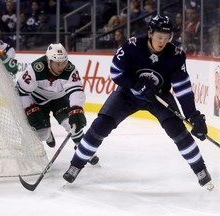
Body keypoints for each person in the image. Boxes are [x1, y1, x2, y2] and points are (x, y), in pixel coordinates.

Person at [63, 15, 214, 190]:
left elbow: (183, 88)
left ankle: (200, 170)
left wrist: (193, 115)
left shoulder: (175, 55)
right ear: (150, 33)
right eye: (159, 37)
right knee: (101, 125)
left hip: (159, 97)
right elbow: (115, 72)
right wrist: (136, 84)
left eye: (167, 38)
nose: (163, 42)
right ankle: (75, 165)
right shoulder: (133, 46)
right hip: (128, 94)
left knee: (178, 131)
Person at [16, 43, 99, 165]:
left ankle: (84, 150)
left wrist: (77, 108)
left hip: (59, 99)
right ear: (49, 61)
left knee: (72, 124)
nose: (61, 67)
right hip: (39, 101)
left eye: (64, 62)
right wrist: (29, 108)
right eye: (57, 63)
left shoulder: (70, 69)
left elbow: (76, 91)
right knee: (42, 133)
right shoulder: (35, 69)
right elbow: (21, 91)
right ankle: (48, 135)